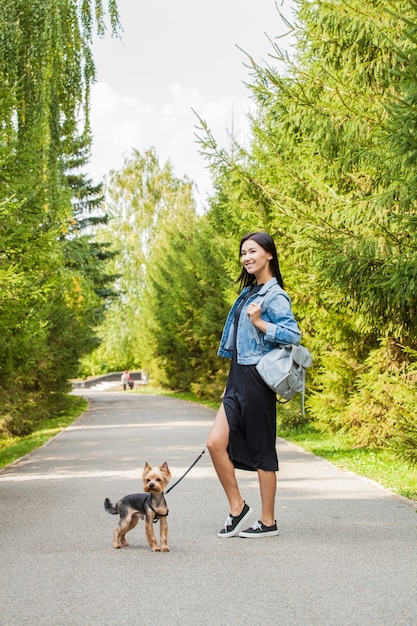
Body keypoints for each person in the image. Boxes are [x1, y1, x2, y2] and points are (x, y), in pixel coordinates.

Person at [207, 232, 301, 538]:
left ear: (268, 255)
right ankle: (238, 508)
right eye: (243, 253)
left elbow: (293, 335)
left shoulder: (274, 295)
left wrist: (261, 323)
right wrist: (228, 381)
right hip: (236, 378)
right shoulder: (249, 293)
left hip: (257, 381)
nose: (247, 257)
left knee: (262, 451)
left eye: (253, 251)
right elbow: (237, 345)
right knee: (214, 443)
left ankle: (269, 521)